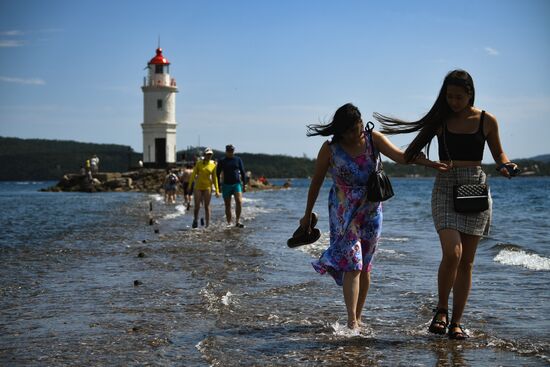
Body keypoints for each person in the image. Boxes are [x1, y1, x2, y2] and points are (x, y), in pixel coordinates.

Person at [374, 69, 519, 340]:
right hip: (445, 187)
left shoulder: (487, 120)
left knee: (467, 262)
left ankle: (457, 322)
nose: (453, 101)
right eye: (449, 96)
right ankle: (441, 310)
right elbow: (408, 156)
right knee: (453, 253)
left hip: (475, 187)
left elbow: (499, 154)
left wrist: (506, 166)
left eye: (458, 97)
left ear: (470, 94)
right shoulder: (440, 121)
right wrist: (431, 164)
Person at [299, 103, 448, 330]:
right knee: (353, 264)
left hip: (371, 211)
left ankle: (358, 317)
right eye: (349, 131)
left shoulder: (372, 139)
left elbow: (400, 157)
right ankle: (351, 322)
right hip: (344, 212)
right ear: (339, 131)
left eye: (357, 128)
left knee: (365, 265)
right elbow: (316, 181)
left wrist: (428, 163)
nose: (354, 135)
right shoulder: (330, 149)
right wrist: (307, 214)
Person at [188, 148, 220, 228]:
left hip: (207, 187)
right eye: (208, 154)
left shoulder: (213, 165)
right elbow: (193, 175)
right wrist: (189, 185)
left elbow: (214, 178)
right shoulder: (199, 163)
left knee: (207, 206)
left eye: (210, 154)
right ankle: (195, 220)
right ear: (204, 155)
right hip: (198, 187)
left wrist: (217, 190)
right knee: (197, 206)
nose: (209, 155)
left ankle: (207, 225)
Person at [216, 144, 247, 228]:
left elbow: (243, 172)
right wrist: (218, 186)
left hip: (236, 183)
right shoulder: (222, 160)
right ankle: (229, 223)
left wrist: (244, 184)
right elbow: (217, 174)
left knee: (239, 201)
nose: (231, 152)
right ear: (226, 151)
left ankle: (237, 221)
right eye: (229, 151)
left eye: (232, 151)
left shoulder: (238, 159)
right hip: (226, 185)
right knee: (227, 204)